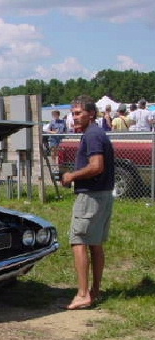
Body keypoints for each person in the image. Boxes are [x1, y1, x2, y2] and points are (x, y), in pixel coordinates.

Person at [61, 95, 115, 310]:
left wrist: (71, 176)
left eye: (78, 113)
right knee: (95, 244)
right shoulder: (96, 133)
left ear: (91, 114)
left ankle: (83, 294)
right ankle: (95, 291)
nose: (74, 117)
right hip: (103, 194)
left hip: (91, 196)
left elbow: (96, 166)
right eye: (72, 113)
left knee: (79, 241)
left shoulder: (92, 135)